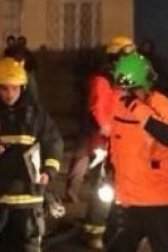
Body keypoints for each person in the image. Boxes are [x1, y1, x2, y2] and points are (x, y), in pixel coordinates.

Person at [0, 57, 63, 252]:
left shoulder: (36, 114)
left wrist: (49, 171)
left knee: (28, 246)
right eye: (4, 89)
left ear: (23, 88)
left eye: (15, 89)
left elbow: (53, 142)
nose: (10, 94)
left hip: (29, 197)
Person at [104, 52, 168, 252]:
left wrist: (138, 108)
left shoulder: (163, 105)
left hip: (159, 201)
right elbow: (116, 147)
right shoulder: (119, 107)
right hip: (128, 201)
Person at [65, 35, 136, 248]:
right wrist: (110, 133)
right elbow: (99, 110)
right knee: (102, 186)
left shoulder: (127, 78)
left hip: (123, 140)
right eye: (128, 53)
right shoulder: (103, 79)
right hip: (104, 142)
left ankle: (114, 225)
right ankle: (95, 230)